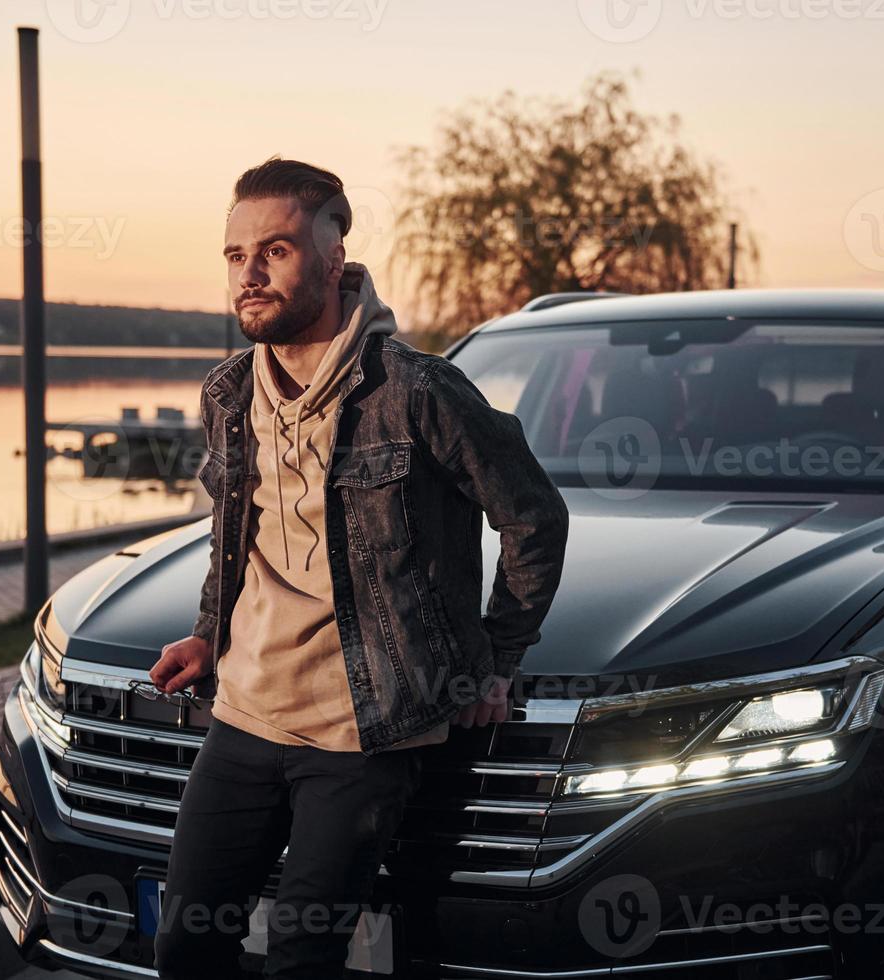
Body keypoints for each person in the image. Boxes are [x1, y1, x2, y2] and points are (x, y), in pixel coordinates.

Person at [149, 157, 569, 979]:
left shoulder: (418, 393)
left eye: (274, 251)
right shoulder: (228, 394)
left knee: (305, 954)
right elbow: (236, 532)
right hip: (243, 715)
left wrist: (497, 659)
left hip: (364, 727)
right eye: (236, 257)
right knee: (187, 945)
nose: (249, 275)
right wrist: (208, 633)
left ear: (334, 255)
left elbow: (533, 515)